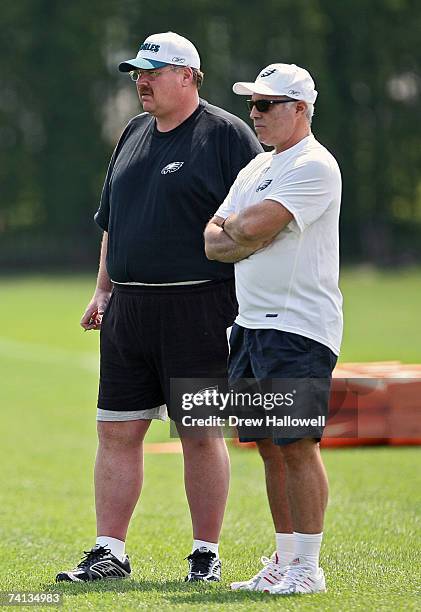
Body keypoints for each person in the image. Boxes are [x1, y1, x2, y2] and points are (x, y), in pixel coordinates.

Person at [55, 31, 262, 584]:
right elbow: (112, 220)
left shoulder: (226, 135)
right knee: (117, 430)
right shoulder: (133, 132)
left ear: (189, 76)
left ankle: (204, 554)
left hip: (200, 306)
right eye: (136, 73)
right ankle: (109, 552)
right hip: (129, 310)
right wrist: (104, 289)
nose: (140, 81)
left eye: (153, 71)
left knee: (198, 431)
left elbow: (258, 222)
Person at [204, 63, 342, 596]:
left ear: (300, 110)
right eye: (251, 105)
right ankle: (284, 560)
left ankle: (308, 566)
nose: (254, 115)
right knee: (267, 445)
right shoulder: (258, 166)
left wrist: (243, 230)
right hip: (249, 325)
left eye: (265, 105)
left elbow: (250, 227)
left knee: (297, 443)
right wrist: (243, 232)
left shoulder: (314, 165)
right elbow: (213, 239)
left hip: (298, 328)